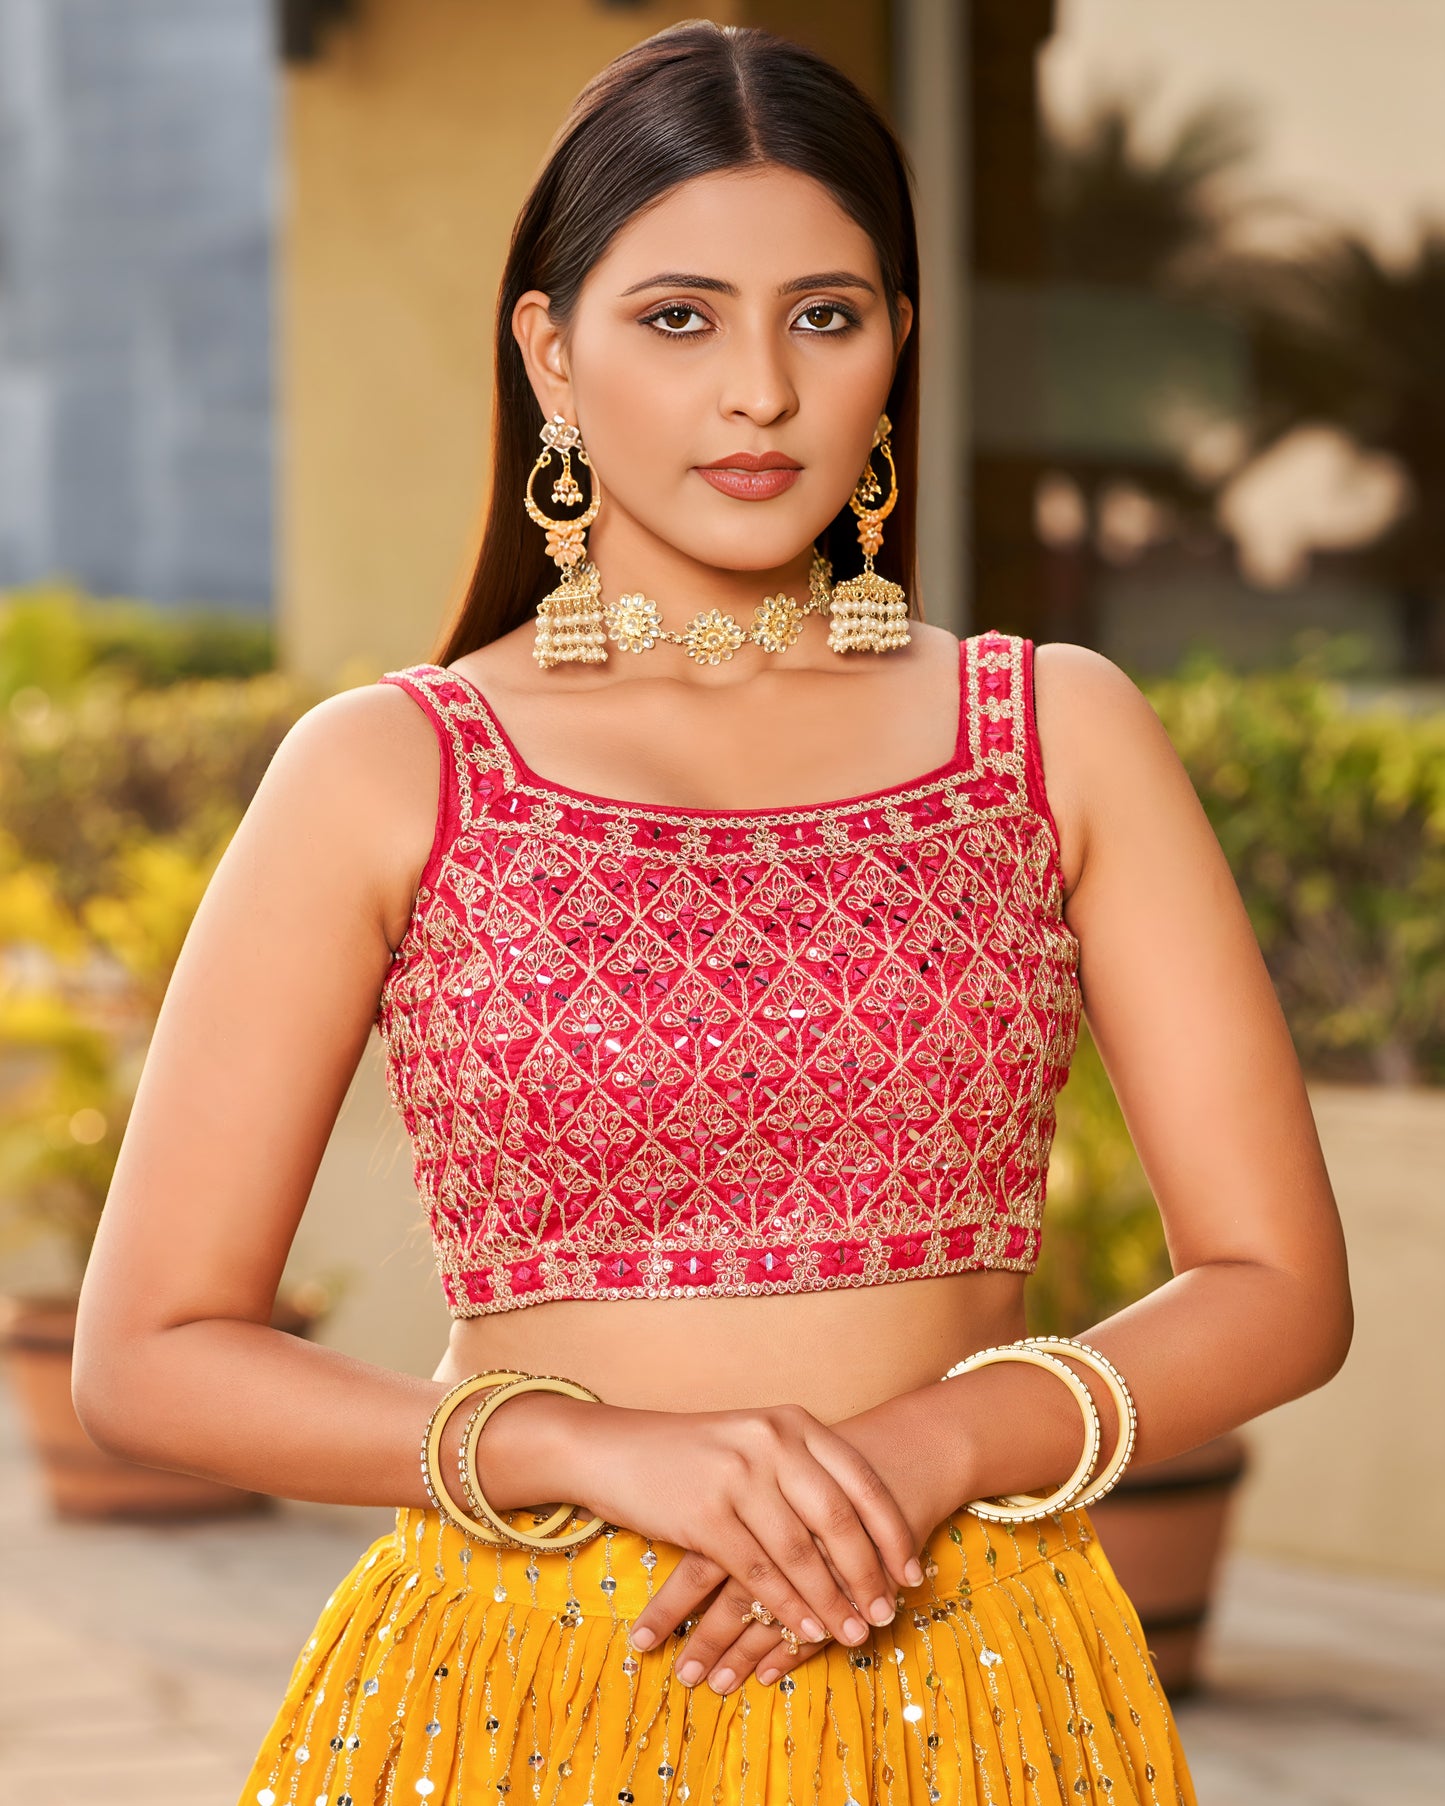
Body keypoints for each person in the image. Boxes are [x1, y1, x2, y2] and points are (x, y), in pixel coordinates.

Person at [71, 21, 1352, 1806]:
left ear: (896, 340)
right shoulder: (389, 767)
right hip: (517, 1689)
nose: (760, 389)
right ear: (552, 352)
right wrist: (598, 1455)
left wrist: (929, 1443)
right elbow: (146, 1352)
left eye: (825, 315)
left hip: (977, 1677)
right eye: (678, 317)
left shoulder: (1050, 730)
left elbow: (1280, 1286)